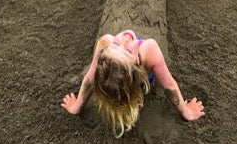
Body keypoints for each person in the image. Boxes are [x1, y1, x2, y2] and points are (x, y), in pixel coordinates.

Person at [61, 30, 205, 137]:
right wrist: (186, 112)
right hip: (131, 85)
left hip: (129, 83)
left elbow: (90, 79)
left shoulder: (107, 43)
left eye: (118, 44)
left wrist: (77, 107)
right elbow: (169, 86)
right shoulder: (149, 50)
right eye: (128, 50)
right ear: (137, 64)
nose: (125, 38)